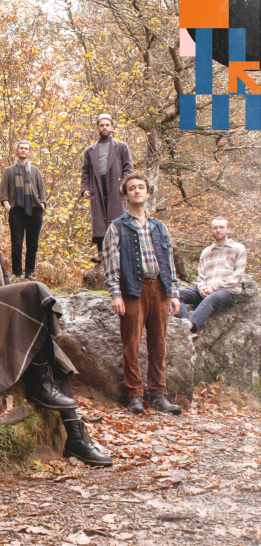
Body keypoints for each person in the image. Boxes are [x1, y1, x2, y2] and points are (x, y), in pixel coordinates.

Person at [0, 160, 112, 466]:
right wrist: (4, 299)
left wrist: (7, 299)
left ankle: (76, 439)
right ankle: (40, 385)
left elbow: (3, 276)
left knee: (51, 351)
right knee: (33, 289)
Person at [102, 172, 182, 416]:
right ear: (124, 194)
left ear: (148, 193)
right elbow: (110, 262)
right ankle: (135, 395)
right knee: (132, 344)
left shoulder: (160, 226)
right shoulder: (117, 227)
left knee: (159, 344)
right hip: (132, 290)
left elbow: (169, 261)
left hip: (159, 289)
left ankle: (159, 395)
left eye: (141, 187)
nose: (137, 191)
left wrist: (174, 292)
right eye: (132, 188)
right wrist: (116, 293)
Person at [176, 218, 246, 333]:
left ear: (228, 230)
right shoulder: (206, 252)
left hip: (228, 292)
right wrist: (202, 288)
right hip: (206, 291)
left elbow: (237, 275)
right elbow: (200, 276)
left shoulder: (238, 248)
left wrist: (214, 288)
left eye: (222, 227)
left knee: (211, 298)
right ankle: (183, 322)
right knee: (176, 295)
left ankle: (189, 327)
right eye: (215, 228)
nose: (218, 230)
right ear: (211, 231)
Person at [81, 114, 134, 263]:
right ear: (97, 128)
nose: (104, 127)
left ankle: (119, 252)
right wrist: (85, 188)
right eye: (102, 125)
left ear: (112, 127)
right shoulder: (90, 150)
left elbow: (128, 168)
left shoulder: (121, 147)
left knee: (118, 217)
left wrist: (125, 184)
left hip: (116, 186)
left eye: (107, 125)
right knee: (99, 219)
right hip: (97, 186)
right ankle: (101, 253)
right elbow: (85, 171)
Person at [0, 140, 47, 279]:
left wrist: (42, 205)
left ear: (29, 152)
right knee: (17, 243)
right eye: (21, 148)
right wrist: (8, 206)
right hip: (17, 210)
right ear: (17, 150)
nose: (23, 150)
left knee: (33, 243)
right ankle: (17, 273)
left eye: (26, 148)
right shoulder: (9, 171)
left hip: (34, 210)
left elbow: (41, 190)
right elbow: (3, 191)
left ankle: (29, 272)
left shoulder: (35, 170)